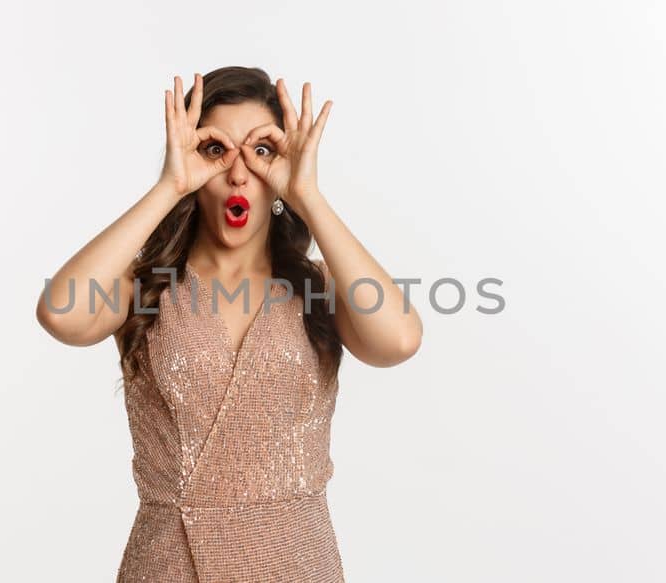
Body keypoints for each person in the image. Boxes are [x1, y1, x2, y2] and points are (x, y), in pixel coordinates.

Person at [36, 65, 423, 582]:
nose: (240, 173)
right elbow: (61, 314)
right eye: (216, 151)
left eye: (261, 151)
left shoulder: (321, 288)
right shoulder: (144, 288)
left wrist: (309, 194)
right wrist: (169, 188)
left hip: (299, 563)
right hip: (169, 564)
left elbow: (398, 340)